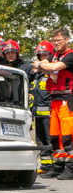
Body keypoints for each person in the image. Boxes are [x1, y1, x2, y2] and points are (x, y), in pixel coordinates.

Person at [32, 28, 73, 179]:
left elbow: (54, 67)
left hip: (67, 100)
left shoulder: (70, 56)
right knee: (55, 136)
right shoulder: (55, 55)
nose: (56, 43)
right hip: (55, 99)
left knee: (68, 136)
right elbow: (44, 63)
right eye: (54, 41)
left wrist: (44, 67)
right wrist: (45, 67)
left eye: (59, 40)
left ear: (67, 40)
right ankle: (58, 166)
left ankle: (71, 167)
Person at [30, 40, 54, 172]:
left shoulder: (52, 74)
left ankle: (55, 166)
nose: (43, 58)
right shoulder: (37, 75)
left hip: (50, 114)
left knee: (52, 140)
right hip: (38, 114)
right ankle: (46, 165)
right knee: (40, 141)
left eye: (45, 55)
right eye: (41, 56)